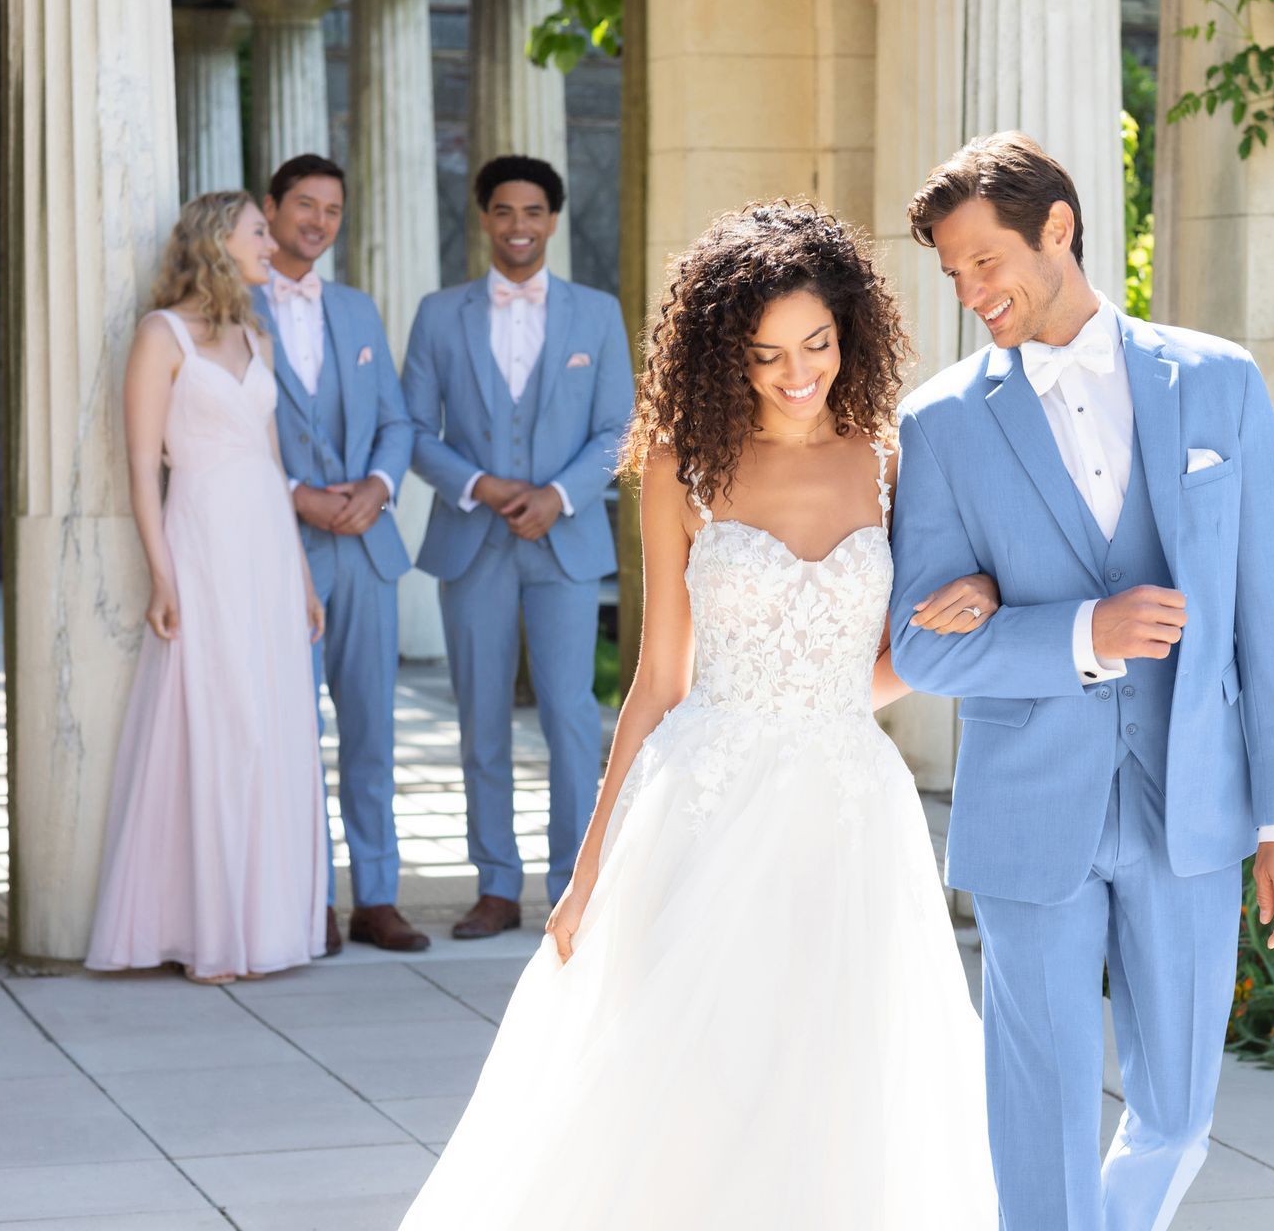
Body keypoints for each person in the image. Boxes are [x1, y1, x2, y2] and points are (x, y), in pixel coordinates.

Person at [397, 202, 1000, 1229]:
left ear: (848, 332)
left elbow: (889, 664)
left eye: (816, 343)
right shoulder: (685, 465)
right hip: (708, 798)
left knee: (842, 1070)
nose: (797, 371)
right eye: (767, 354)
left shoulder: (891, 458)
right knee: (695, 1069)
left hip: (849, 807)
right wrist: (587, 871)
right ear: (730, 356)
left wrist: (976, 601)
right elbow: (659, 678)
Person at [889, 132, 1274, 1231]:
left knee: (1177, 1110)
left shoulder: (1218, 381)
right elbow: (924, 645)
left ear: (1059, 228)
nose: (971, 291)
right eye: (953, 273)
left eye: (985, 261)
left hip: (1191, 805)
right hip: (1032, 807)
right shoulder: (940, 423)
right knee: (1038, 1112)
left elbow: (1271, 618)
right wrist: (1084, 630)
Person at [85, 191, 329, 985]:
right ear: (219, 240)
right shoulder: (161, 337)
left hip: (263, 541)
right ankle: (207, 930)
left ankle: (266, 925)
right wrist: (162, 576)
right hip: (203, 541)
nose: (273, 242)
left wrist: (299, 577)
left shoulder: (253, 335)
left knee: (271, 726)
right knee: (218, 721)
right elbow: (140, 468)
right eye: (259, 230)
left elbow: (274, 466)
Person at [401, 155, 630, 939]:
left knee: (570, 716)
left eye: (533, 211)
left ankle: (574, 880)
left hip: (564, 541)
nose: (519, 226)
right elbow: (410, 430)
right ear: (485, 218)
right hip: (473, 540)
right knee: (481, 718)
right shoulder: (439, 314)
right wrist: (480, 486)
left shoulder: (596, 314)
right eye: (504, 211)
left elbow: (618, 428)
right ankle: (495, 885)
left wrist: (557, 494)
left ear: (553, 221)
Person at [256, 153, 426, 956]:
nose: (317, 221)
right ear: (271, 208)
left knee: (371, 729)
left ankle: (378, 897)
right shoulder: (232, 305)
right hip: (278, 548)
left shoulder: (357, 310)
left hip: (367, 546)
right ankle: (309, 899)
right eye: (304, 205)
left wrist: (380, 488)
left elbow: (396, 421)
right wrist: (295, 492)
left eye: (332, 209)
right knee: (293, 730)